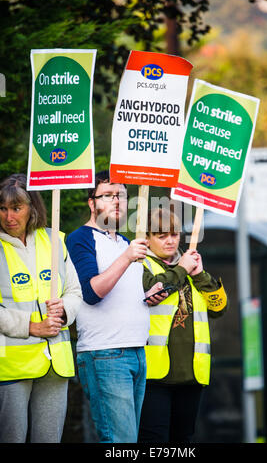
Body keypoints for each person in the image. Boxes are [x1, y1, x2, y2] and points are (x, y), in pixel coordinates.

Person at [66, 170, 165, 443]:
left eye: (121, 195)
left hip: (136, 351)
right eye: (107, 195)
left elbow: (121, 291)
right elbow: (92, 292)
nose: (117, 201)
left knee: (130, 440)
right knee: (120, 442)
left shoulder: (122, 241)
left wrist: (148, 296)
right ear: (92, 202)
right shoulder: (80, 238)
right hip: (105, 353)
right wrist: (127, 257)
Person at [0, 174, 82, 443]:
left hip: (55, 365)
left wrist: (63, 311)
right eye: (2, 208)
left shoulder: (54, 239)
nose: (9, 216)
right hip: (10, 367)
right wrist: (31, 326)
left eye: (16, 208)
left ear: (32, 208)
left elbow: (74, 291)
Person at [138, 207, 228, 443]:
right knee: (153, 439)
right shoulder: (140, 265)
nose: (170, 241)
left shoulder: (190, 267)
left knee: (183, 439)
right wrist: (183, 269)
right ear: (146, 239)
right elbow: (155, 290)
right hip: (154, 374)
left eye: (174, 234)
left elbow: (219, 309)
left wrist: (199, 275)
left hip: (191, 373)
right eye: (161, 235)